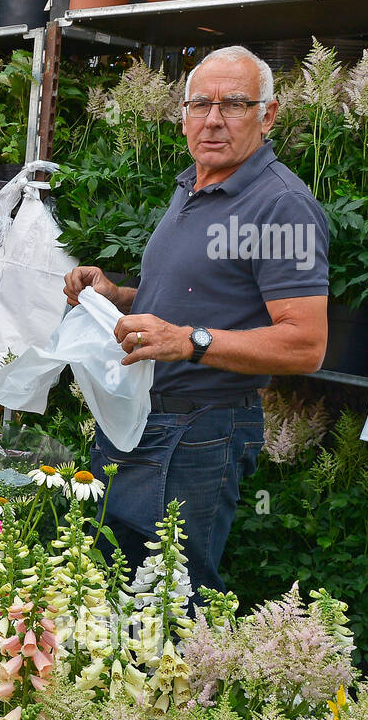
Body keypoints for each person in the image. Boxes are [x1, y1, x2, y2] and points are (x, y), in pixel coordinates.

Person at [63, 45, 330, 596]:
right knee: (114, 591)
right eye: (200, 104)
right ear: (182, 114)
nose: (213, 119)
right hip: (142, 422)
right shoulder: (194, 186)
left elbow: (306, 345)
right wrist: (118, 296)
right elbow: (185, 299)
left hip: (199, 434)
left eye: (234, 104)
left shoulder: (281, 206)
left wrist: (190, 342)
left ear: (268, 114)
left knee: (171, 603)